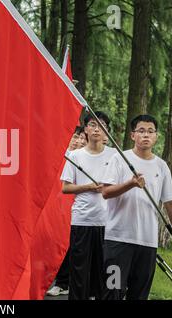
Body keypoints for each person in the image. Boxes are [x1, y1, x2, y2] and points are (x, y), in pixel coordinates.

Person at [101, 114, 172, 300]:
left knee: (139, 294)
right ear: (133, 135)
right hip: (118, 241)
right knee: (111, 292)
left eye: (150, 131)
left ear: (156, 136)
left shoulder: (162, 167)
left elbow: (170, 203)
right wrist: (130, 184)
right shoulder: (119, 159)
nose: (146, 135)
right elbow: (106, 192)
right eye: (141, 131)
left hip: (147, 243)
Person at [60, 111, 116, 300]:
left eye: (101, 126)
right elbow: (66, 188)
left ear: (107, 132)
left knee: (104, 273)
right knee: (79, 273)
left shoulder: (115, 156)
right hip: (82, 220)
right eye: (92, 124)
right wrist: (89, 187)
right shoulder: (75, 156)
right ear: (85, 129)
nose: (96, 129)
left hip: (108, 223)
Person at [47, 126, 86, 297]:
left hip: (76, 207)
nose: (78, 141)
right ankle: (54, 279)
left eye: (81, 138)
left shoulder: (84, 158)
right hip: (55, 205)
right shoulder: (58, 156)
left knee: (70, 244)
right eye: (75, 137)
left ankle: (63, 282)